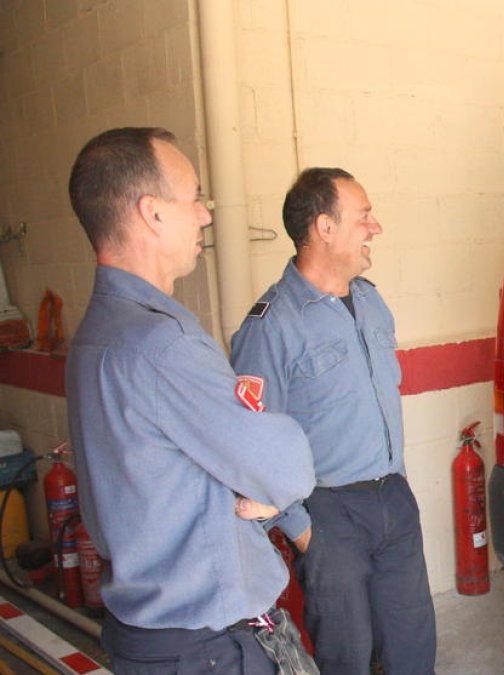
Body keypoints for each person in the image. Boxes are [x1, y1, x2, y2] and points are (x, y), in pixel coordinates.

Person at [65, 127, 317, 673]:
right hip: (208, 647)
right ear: (152, 213)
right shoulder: (162, 345)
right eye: (195, 197)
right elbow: (283, 464)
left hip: (152, 638)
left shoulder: (97, 334)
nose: (206, 215)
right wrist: (273, 485)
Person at [230, 168, 436, 674]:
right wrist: (303, 533)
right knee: (348, 658)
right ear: (324, 227)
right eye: (363, 215)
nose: (376, 227)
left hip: (393, 499)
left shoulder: (370, 301)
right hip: (328, 514)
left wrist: (400, 485)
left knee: (414, 650)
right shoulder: (271, 325)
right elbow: (249, 446)